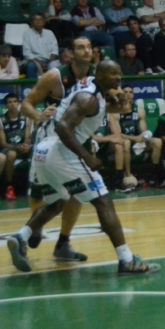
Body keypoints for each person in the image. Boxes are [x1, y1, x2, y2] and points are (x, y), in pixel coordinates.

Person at [5, 61, 159, 276]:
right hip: (61, 151)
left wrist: (115, 100)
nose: (118, 78)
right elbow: (63, 127)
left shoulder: (91, 88)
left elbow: (95, 110)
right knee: (103, 201)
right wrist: (87, 156)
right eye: (113, 74)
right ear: (100, 74)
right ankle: (127, 260)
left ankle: (21, 237)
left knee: (58, 201)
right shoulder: (88, 97)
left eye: (119, 73)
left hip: (44, 151)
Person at [20, 36, 96, 263]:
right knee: (38, 192)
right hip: (49, 139)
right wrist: (38, 115)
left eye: (89, 47)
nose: (86, 51)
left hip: (76, 139)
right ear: (71, 53)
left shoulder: (96, 74)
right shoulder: (54, 76)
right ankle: (32, 229)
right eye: (81, 47)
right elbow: (27, 104)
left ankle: (63, 243)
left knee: (78, 192)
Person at [0, 93, 31, 201]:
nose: (13, 104)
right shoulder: (0, 120)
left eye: (15, 102)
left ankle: (37, 184)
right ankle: (9, 186)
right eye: (10, 102)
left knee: (38, 151)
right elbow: (3, 143)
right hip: (9, 148)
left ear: (19, 103)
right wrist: (17, 147)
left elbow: (27, 136)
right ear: (6, 105)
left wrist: (25, 145)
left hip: (22, 146)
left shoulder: (26, 117)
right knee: (11, 154)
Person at [22, 13, 58, 79]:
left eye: (40, 20)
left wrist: (50, 62)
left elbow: (55, 49)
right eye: (36, 20)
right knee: (30, 66)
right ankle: (32, 87)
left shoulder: (49, 33)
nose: (38, 22)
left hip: (50, 60)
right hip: (36, 61)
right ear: (31, 23)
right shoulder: (27, 34)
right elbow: (27, 53)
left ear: (44, 22)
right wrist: (41, 63)